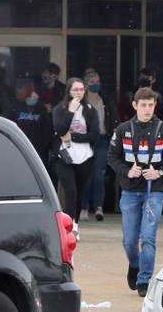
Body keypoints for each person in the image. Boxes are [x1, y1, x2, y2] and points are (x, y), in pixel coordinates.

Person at [108, 87, 163, 298]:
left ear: (155, 106)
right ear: (135, 106)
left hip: (154, 191)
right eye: (143, 105)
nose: (147, 109)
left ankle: (144, 279)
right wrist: (127, 171)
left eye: (151, 105)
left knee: (148, 237)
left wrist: (159, 172)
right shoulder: (122, 129)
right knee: (130, 240)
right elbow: (112, 157)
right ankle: (134, 263)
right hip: (130, 191)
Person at [52, 77, 99, 239]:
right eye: (75, 89)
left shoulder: (90, 109)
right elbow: (59, 130)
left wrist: (73, 136)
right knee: (70, 191)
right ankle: (67, 228)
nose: (78, 92)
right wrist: (71, 112)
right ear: (69, 91)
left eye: (81, 89)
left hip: (85, 157)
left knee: (79, 191)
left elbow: (94, 135)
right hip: (65, 157)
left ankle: (75, 225)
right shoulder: (60, 109)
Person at [80, 69, 120, 222]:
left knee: (99, 175)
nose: (96, 85)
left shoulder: (106, 99)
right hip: (86, 141)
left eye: (98, 82)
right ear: (85, 85)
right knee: (86, 176)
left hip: (103, 140)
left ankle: (98, 207)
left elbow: (113, 119)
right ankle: (84, 208)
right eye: (92, 83)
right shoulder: (81, 101)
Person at [15, 84, 53, 171]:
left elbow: (47, 129)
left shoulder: (41, 109)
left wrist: (42, 147)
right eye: (32, 96)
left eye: (36, 96)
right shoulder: (15, 107)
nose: (35, 98)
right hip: (20, 146)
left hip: (38, 149)